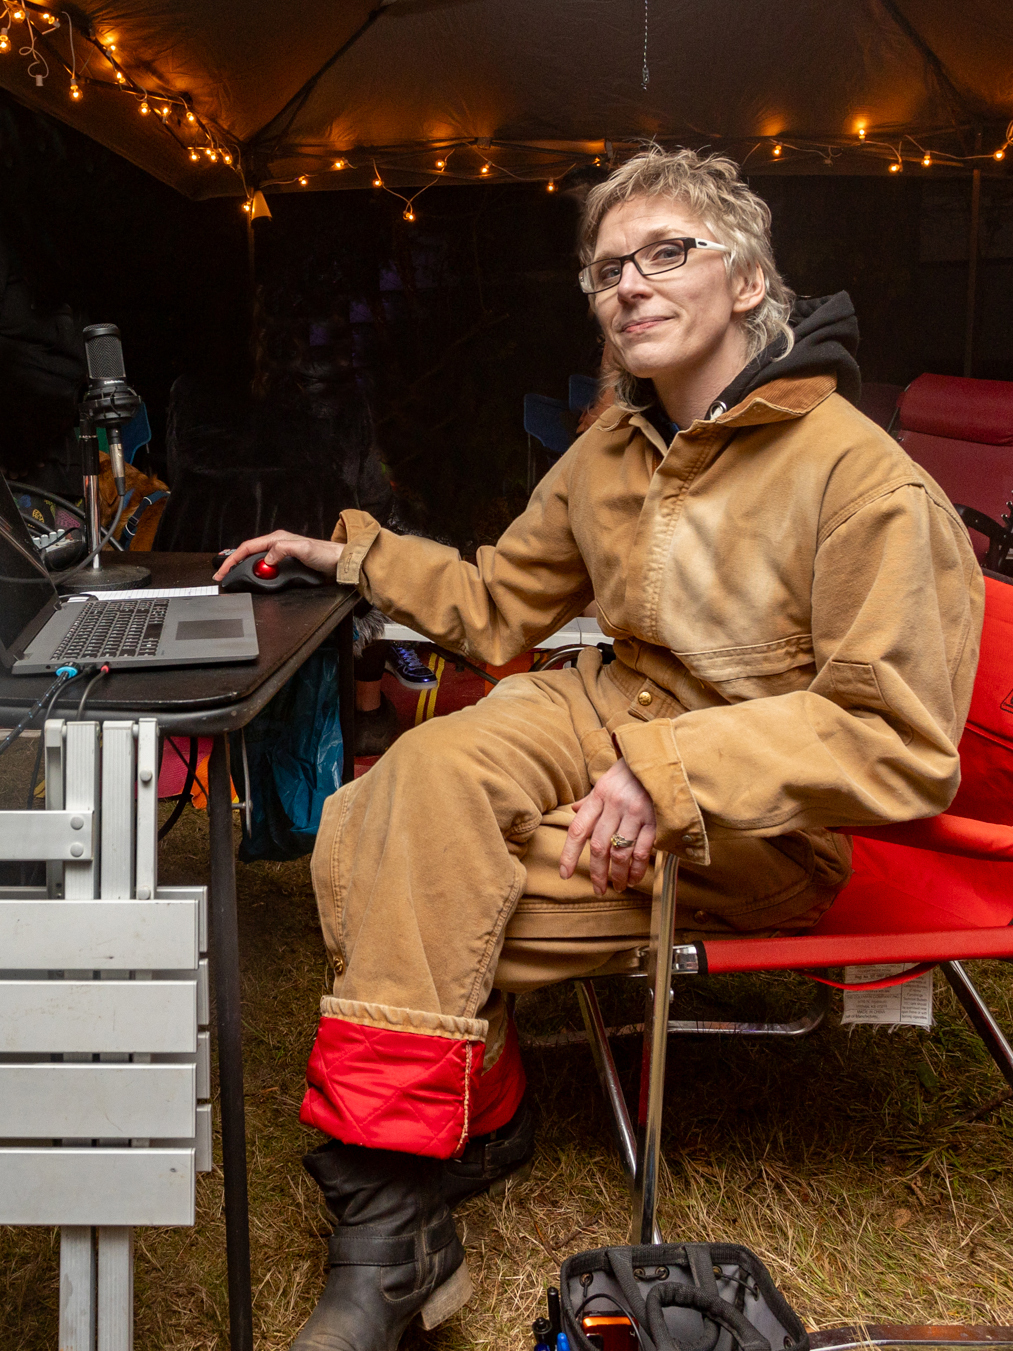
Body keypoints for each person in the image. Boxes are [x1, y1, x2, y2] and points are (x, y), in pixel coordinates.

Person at [216, 147, 983, 1351]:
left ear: (747, 280)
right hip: (603, 707)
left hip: (758, 813)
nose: (627, 282)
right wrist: (349, 556)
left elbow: (896, 739)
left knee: (378, 855)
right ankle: (405, 1200)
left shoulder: (863, 479)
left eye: (665, 251)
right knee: (419, 780)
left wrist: (671, 773)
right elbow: (492, 606)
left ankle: (411, 1192)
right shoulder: (609, 453)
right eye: (606, 266)